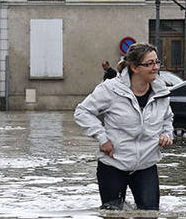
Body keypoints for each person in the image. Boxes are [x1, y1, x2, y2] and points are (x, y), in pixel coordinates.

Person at [75, 43, 174, 210]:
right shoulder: (111, 89)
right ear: (135, 67)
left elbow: (167, 118)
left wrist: (167, 134)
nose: (155, 67)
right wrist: (102, 138)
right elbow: (82, 112)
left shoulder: (161, 92)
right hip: (113, 165)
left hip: (146, 164)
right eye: (149, 64)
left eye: (157, 62)